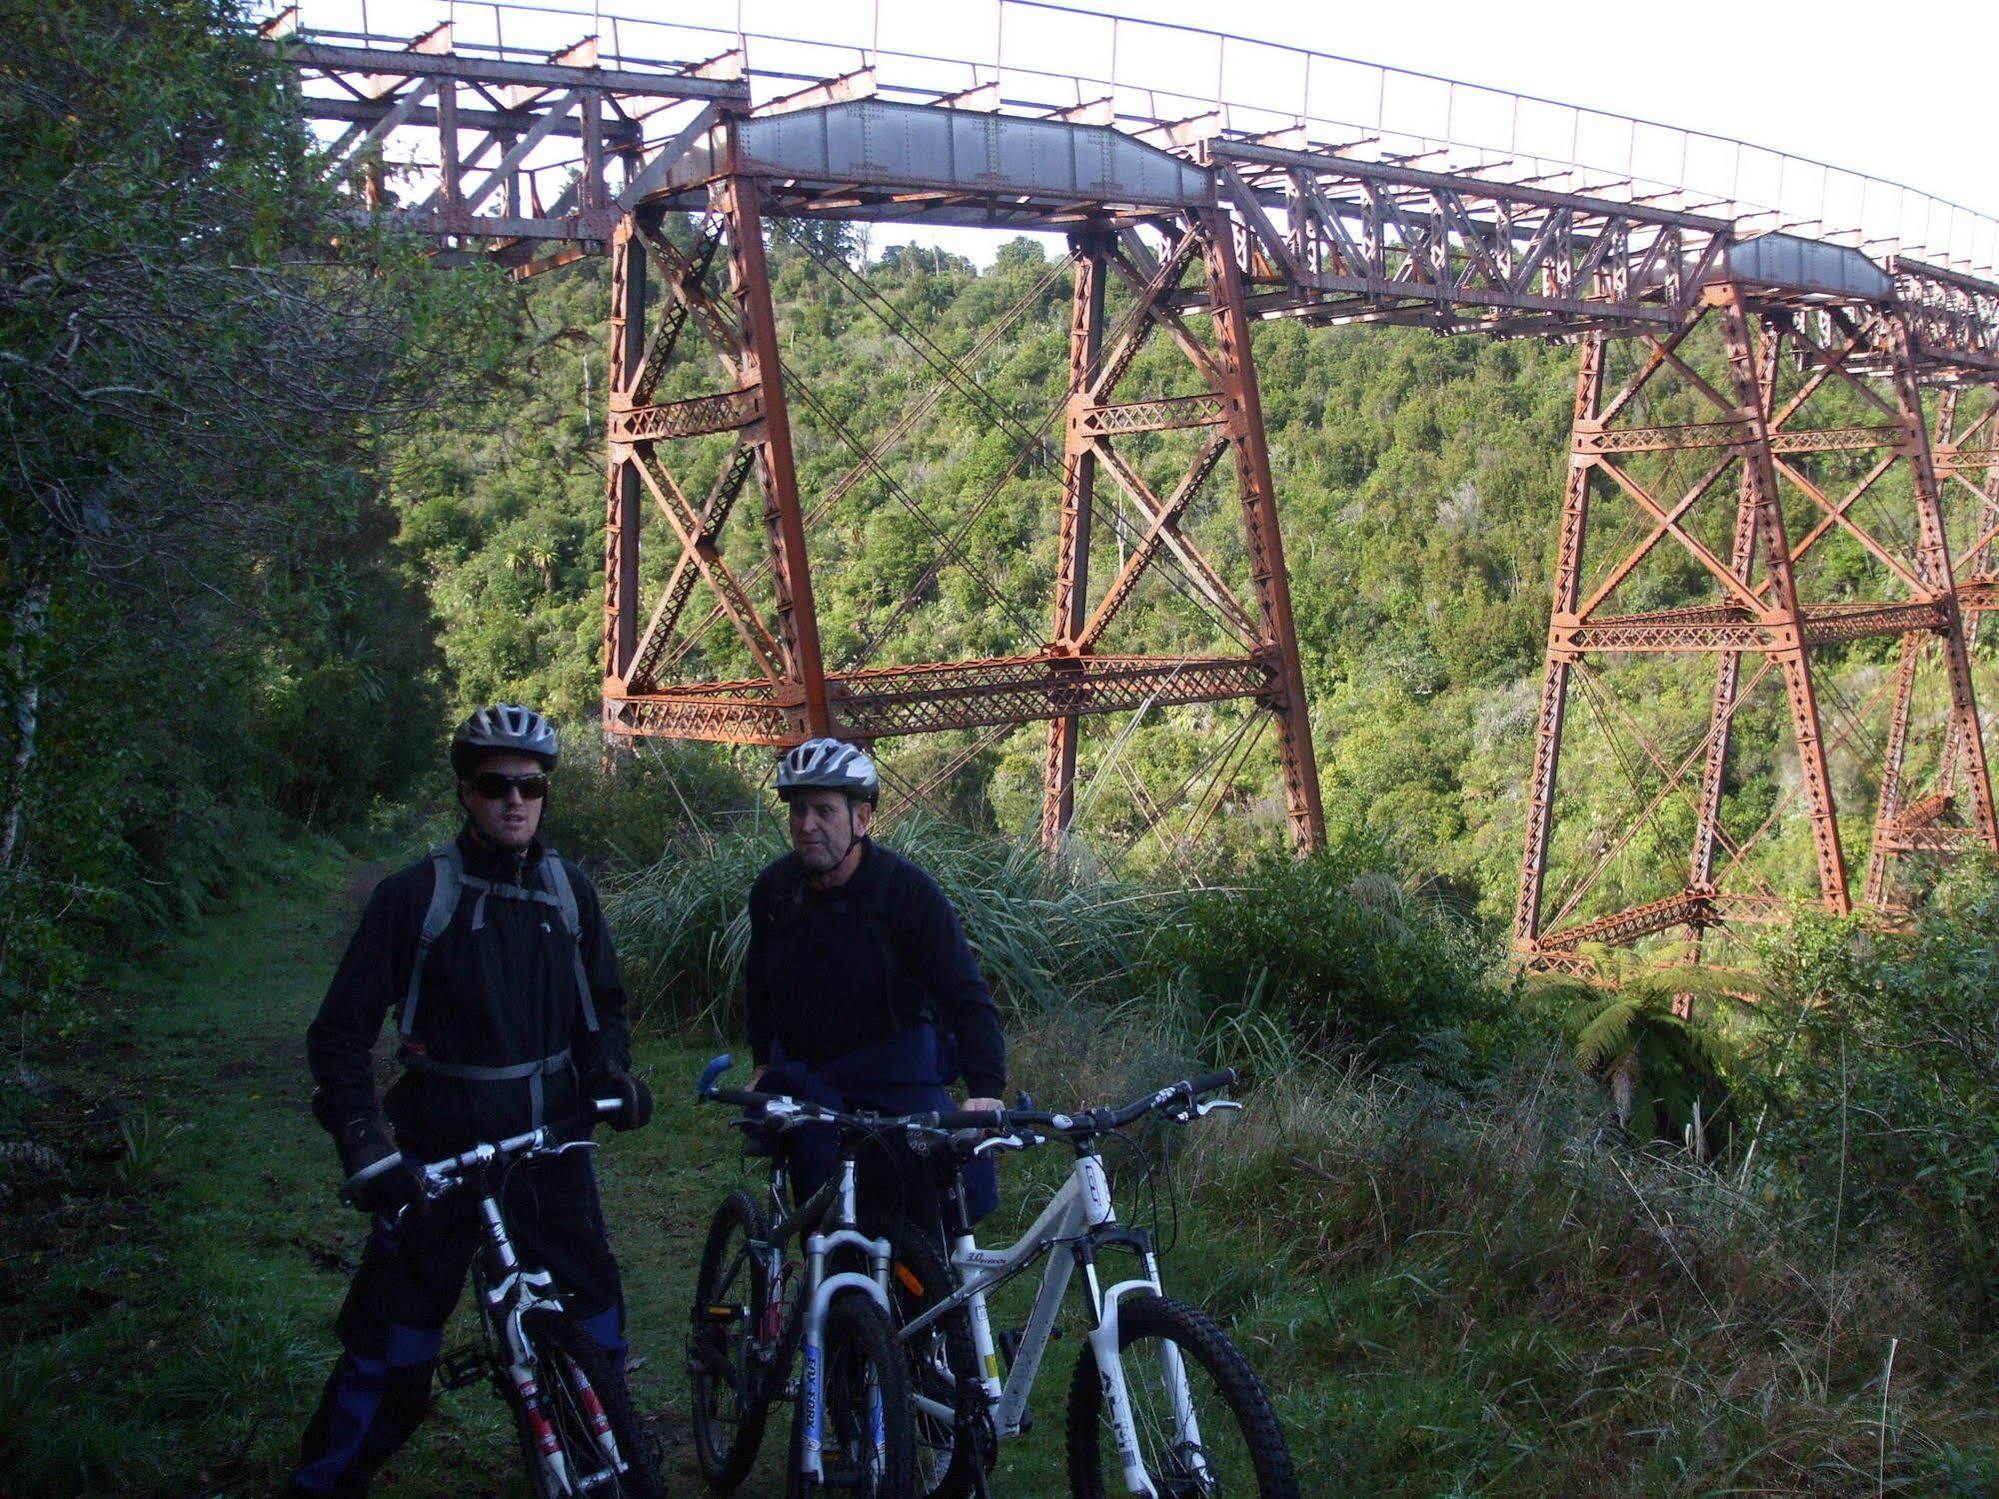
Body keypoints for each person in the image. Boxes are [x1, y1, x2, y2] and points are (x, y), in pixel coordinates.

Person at [287, 704, 654, 1498]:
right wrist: (366, 1143)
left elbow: (604, 1006)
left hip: (549, 1139)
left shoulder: (569, 892)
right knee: (393, 1349)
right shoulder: (415, 895)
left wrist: (611, 1076)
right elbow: (341, 1036)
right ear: (465, 792)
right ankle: (322, 1480)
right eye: (496, 785)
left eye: (531, 785)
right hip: (436, 1146)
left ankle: (606, 1448)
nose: (515, 800)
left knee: (594, 1316)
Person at [744, 737, 1007, 1237]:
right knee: (825, 1228)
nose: (806, 825)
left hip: (895, 1068)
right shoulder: (775, 890)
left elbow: (964, 994)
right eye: (798, 811)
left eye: (824, 810)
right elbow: (759, 984)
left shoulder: (906, 892)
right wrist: (762, 1060)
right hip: (812, 1077)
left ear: (861, 819)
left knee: (937, 1210)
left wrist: (985, 1091)